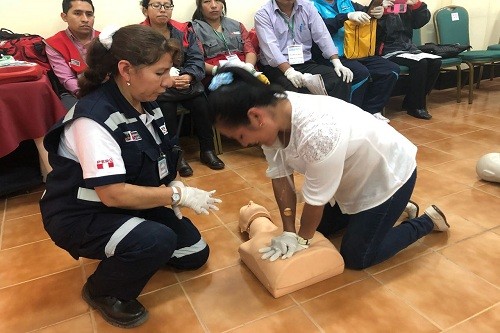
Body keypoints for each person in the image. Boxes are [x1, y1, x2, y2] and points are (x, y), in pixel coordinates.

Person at [39, 25, 221, 328]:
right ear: (126, 69)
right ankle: (102, 291)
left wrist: (171, 182)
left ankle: (133, 245)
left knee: (193, 252)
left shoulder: (146, 102)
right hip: (80, 213)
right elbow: (112, 194)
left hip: (125, 204)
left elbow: (161, 154)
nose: (168, 82)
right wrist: (178, 195)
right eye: (160, 73)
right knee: (157, 240)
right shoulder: (94, 119)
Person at [207, 67, 449, 270]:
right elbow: (281, 177)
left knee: (357, 256)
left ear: (255, 116)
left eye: (240, 135)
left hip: (389, 175)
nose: (244, 144)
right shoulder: (272, 115)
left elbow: (315, 201)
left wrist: (301, 240)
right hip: (349, 179)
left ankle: (426, 220)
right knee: (322, 228)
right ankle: (394, 210)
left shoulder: (318, 131)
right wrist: (290, 231)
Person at [140, 0, 225, 177]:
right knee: (165, 108)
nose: (163, 10)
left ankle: (207, 150)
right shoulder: (140, 35)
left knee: (201, 102)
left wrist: (189, 76)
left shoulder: (184, 30)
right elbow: (140, 67)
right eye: (156, 5)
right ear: (145, 9)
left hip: (186, 83)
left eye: (167, 6)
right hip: (159, 87)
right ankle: (177, 156)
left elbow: (196, 58)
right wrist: (166, 79)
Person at [312, 0, 400, 123]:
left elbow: (365, 13)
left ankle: (372, 110)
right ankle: (353, 115)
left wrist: (376, 15)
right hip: (331, 56)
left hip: (357, 51)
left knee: (390, 70)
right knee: (360, 73)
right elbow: (320, 28)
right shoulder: (311, 5)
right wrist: (346, 17)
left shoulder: (347, 3)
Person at [254, 0, 353, 101]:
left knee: (340, 79)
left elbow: (322, 35)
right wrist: (289, 71)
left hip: (304, 63)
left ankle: (333, 115)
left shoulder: (307, 7)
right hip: (277, 68)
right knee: (295, 91)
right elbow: (271, 48)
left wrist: (337, 62)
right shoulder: (263, 14)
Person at [376, 0, 441, 120]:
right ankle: (416, 106)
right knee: (420, 63)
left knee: (435, 62)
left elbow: (419, 22)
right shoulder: (379, 5)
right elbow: (374, 29)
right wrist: (383, 10)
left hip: (408, 47)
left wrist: (416, 5)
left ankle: (411, 100)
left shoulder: (403, 7)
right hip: (387, 50)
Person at [191, 0, 267, 86]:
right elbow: (196, 61)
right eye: (207, 1)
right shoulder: (193, 30)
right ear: (200, 7)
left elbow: (250, 51)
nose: (213, 5)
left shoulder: (237, 25)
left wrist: (248, 67)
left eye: (217, 0)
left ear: (223, 4)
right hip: (217, 77)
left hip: (245, 71)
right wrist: (217, 70)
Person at [45, 0, 100, 110]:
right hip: (74, 93)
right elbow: (67, 80)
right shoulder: (54, 44)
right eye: (77, 13)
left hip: (105, 88)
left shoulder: (104, 39)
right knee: (84, 113)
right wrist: (93, 96)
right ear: (64, 17)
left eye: (89, 14)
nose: (85, 19)